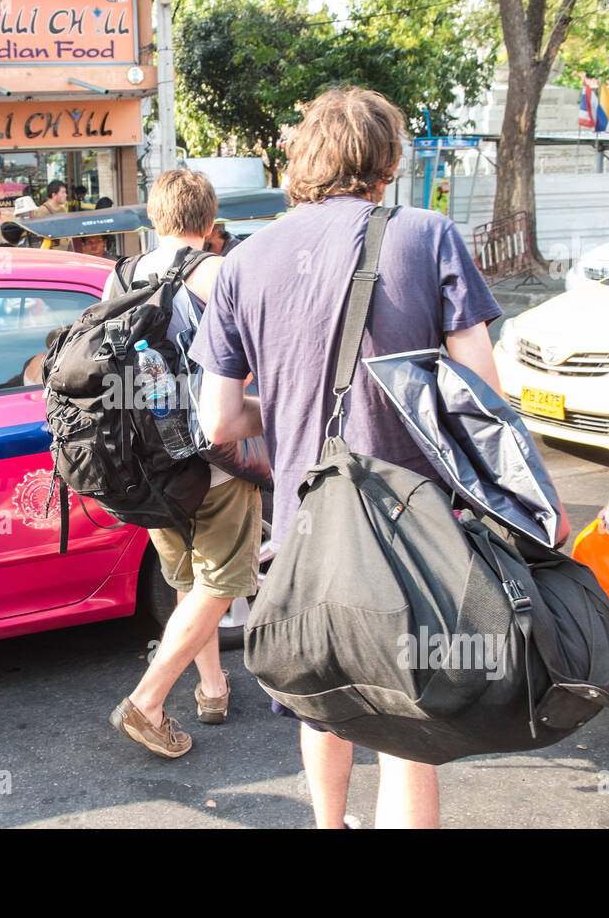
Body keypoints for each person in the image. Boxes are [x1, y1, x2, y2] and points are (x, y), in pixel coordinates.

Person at [190, 87, 505, 827]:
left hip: (307, 530)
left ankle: (329, 825)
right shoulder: (427, 236)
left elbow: (220, 421)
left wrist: (294, 402)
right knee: (409, 720)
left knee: (322, 698)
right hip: (416, 531)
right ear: (388, 161)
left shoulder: (241, 262)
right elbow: (483, 394)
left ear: (301, 158)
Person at [107, 168, 263, 759]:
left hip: (147, 463)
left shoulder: (119, 276)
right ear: (210, 221)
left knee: (188, 582)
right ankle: (148, 701)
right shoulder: (222, 272)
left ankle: (213, 687)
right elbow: (251, 359)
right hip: (214, 457)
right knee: (220, 584)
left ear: (154, 218)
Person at [33, 181, 72, 251]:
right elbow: (39, 237)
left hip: (65, 253)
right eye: (63, 192)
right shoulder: (43, 211)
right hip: (52, 255)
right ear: (54, 195)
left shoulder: (63, 210)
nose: (66, 195)